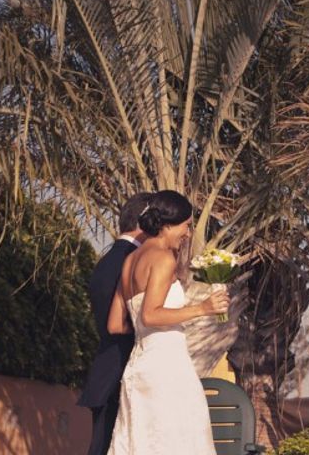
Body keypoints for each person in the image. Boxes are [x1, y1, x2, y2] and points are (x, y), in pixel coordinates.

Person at [106, 190, 229, 455]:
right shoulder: (163, 258)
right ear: (168, 224)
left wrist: (144, 331)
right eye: (186, 226)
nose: (187, 234)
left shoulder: (129, 261)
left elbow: (115, 324)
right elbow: (151, 314)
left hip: (138, 367)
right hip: (166, 368)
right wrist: (202, 308)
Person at [77, 193, 152, 455]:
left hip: (107, 369)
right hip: (121, 373)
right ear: (146, 221)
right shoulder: (132, 263)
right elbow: (120, 323)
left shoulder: (107, 260)